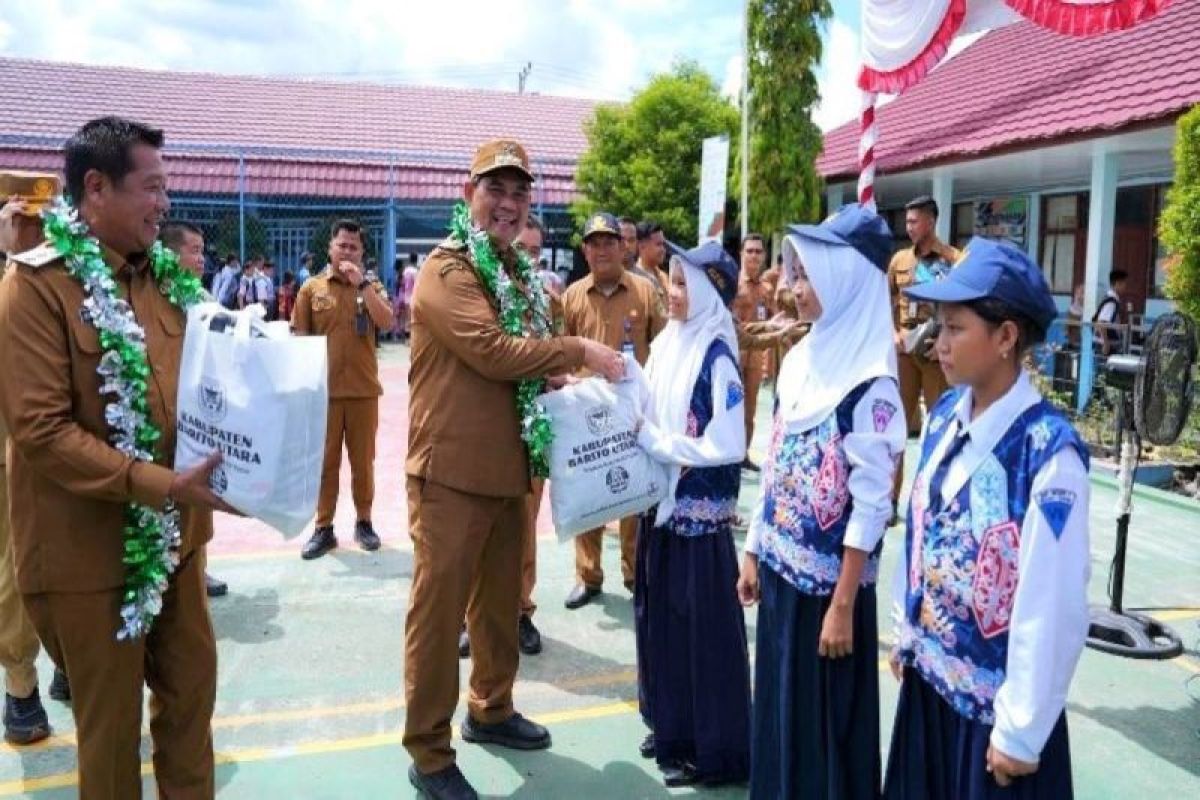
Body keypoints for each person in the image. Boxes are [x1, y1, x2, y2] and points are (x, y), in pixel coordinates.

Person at [0, 115, 233, 797]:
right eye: (151, 187)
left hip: (177, 544)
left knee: (191, 706)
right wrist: (158, 482)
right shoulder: (34, 290)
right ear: (95, 188)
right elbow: (41, 431)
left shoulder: (168, 284)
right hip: (86, 559)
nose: (164, 203)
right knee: (109, 737)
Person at [403, 138, 623, 800]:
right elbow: (494, 351)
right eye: (494, 189)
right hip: (448, 474)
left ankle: (490, 710)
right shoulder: (447, 270)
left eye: (518, 192)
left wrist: (558, 374)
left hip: (510, 472)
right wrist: (578, 347)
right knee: (440, 617)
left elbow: (532, 361)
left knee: (500, 608)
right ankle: (429, 751)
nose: (506, 203)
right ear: (469, 193)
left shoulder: (526, 278)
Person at [883, 238, 1089, 799]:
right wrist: (908, 632)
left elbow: (1052, 604)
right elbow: (921, 528)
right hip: (931, 686)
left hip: (993, 715)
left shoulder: (1048, 454)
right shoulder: (947, 412)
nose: (938, 344)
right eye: (937, 327)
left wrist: (1020, 731)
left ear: (1005, 337)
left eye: (954, 329)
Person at [738, 205, 905, 799]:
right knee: (781, 711)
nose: (791, 288)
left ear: (845, 281)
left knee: (822, 729)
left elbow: (871, 507)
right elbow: (777, 458)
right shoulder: (803, 358)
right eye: (792, 272)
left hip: (828, 594)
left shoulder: (871, 383)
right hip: (783, 577)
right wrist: (755, 549)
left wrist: (841, 605)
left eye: (806, 275)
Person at [635, 240, 751, 787]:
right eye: (671, 281)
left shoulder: (717, 355)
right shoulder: (669, 344)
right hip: (662, 509)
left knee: (702, 639)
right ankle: (674, 730)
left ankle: (714, 750)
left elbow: (727, 443)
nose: (672, 292)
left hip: (698, 523)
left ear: (708, 292)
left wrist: (660, 444)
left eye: (683, 284)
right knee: (662, 627)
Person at [458, 213, 557, 660]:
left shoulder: (545, 299)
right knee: (477, 532)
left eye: (535, 251)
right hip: (487, 432)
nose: (528, 259)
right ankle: (469, 619)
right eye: (522, 250)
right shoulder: (481, 289)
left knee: (524, 530)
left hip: (531, 430)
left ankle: (520, 611)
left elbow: (555, 362)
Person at [559, 211, 666, 610]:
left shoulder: (644, 292)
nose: (602, 250)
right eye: (594, 243)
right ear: (585, 251)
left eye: (609, 242)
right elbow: (560, 351)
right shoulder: (572, 296)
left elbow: (664, 348)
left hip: (632, 413)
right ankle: (588, 577)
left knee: (633, 496)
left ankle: (635, 572)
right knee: (588, 495)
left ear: (623, 247)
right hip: (585, 414)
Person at [292, 219, 393, 560]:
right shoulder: (311, 289)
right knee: (325, 463)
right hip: (325, 394)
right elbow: (300, 338)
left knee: (363, 463)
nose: (347, 251)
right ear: (330, 249)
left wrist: (362, 284)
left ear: (362, 252)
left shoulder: (371, 286)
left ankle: (364, 522)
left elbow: (388, 322)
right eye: (342, 245)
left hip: (364, 391)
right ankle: (324, 528)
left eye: (354, 246)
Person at [0, 183, 56, 745]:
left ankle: (71, 664)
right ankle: (20, 688)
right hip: (10, 454)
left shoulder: (72, 274)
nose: (35, 231)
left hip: (72, 454)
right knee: (16, 574)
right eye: (23, 219)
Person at [161, 220, 232, 600]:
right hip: (161, 414)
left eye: (202, 251)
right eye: (194, 251)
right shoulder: (152, 295)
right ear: (170, 253)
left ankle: (196, 569)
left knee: (196, 498)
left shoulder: (201, 300)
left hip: (197, 417)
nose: (201, 259)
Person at [731, 233, 775, 471]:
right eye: (749, 251)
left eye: (758, 251)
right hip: (735, 352)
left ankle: (743, 454)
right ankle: (729, 455)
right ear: (741, 254)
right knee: (731, 406)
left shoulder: (767, 288)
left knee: (750, 410)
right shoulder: (732, 284)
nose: (754, 256)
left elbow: (772, 322)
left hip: (756, 356)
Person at [1092, 269, 1128, 355]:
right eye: (1124, 284)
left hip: (1105, 342)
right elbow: (1102, 322)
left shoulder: (1109, 298)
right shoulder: (1111, 302)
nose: (1125, 287)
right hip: (1106, 345)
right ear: (1117, 284)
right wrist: (1106, 343)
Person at [635, 220, 670, 309]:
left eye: (663, 244)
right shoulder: (633, 279)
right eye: (658, 244)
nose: (663, 249)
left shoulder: (664, 277)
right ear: (642, 246)